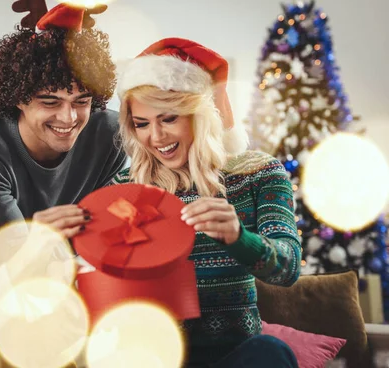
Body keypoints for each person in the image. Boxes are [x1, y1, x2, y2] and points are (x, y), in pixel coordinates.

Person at [113, 38, 301, 368]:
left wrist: (238, 238)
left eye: (168, 119)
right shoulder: (124, 188)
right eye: (141, 124)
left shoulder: (257, 174)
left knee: (272, 351)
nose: (155, 138)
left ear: (198, 115)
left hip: (238, 358)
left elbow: (287, 269)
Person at [0, 3, 127, 236]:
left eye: (81, 101)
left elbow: (105, 229)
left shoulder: (111, 135)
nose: (68, 118)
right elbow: (11, 249)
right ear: (19, 98)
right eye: (50, 102)